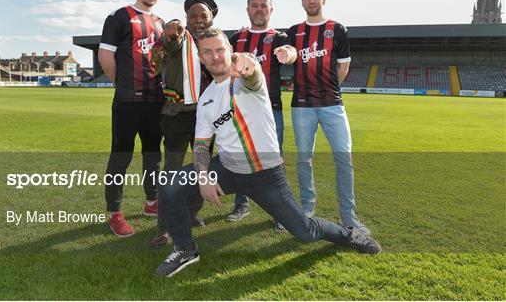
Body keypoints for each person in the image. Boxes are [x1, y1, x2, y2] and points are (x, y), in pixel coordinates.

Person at [155, 28, 381, 278]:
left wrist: (249, 66)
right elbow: (200, 146)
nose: (215, 56)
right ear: (200, 57)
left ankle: (349, 235)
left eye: (220, 49)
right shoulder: (206, 98)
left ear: (230, 50)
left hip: (265, 175)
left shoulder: (244, 80)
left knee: (305, 231)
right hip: (228, 170)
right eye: (207, 51)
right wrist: (203, 175)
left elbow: (253, 74)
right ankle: (186, 250)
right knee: (170, 184)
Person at [284, 0, 370, 234]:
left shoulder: (338, 30)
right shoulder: (293, 32)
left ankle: (348, 216)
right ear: (302, 1)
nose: (311, 0)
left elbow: (343, 67)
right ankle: (307, 210)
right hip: (301, 106)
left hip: (333, 104)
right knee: (304, 160)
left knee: (344, 159)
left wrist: (329, 87)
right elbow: (279, 47)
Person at [98, 0, 164, 237]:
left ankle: (152, 202)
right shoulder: (119, 17)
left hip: (155, 102)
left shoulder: (160, 23)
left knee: (152, 156)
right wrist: (122, 85)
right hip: (127, 101)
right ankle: (115, 212)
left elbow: (161, 61)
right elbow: (105, 56)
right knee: (120, 157)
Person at [149, 0, 217, 248]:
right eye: (193, 16)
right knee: (173, 169)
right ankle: (165, 226)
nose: (198, 21)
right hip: (176, 114)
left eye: (204, 17)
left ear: (211, 20)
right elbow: (157, 61)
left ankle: (190, 212)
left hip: (206, 115)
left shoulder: (216, 41)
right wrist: (170, 35)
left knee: (202, 168)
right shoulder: (176, 35)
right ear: (185, 19)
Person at [226, 0, 296, 229]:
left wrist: (287, 53)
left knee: (274, 161)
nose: (259, 9)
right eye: (254, 5)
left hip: (270, 110)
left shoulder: (279, 37)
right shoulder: (237, 38)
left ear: (271, 10)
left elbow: (291, 51)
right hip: (240, 110)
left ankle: (281, 212)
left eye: (263, 5)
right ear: (247, 10)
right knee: (239, 157)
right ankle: (241, 203)